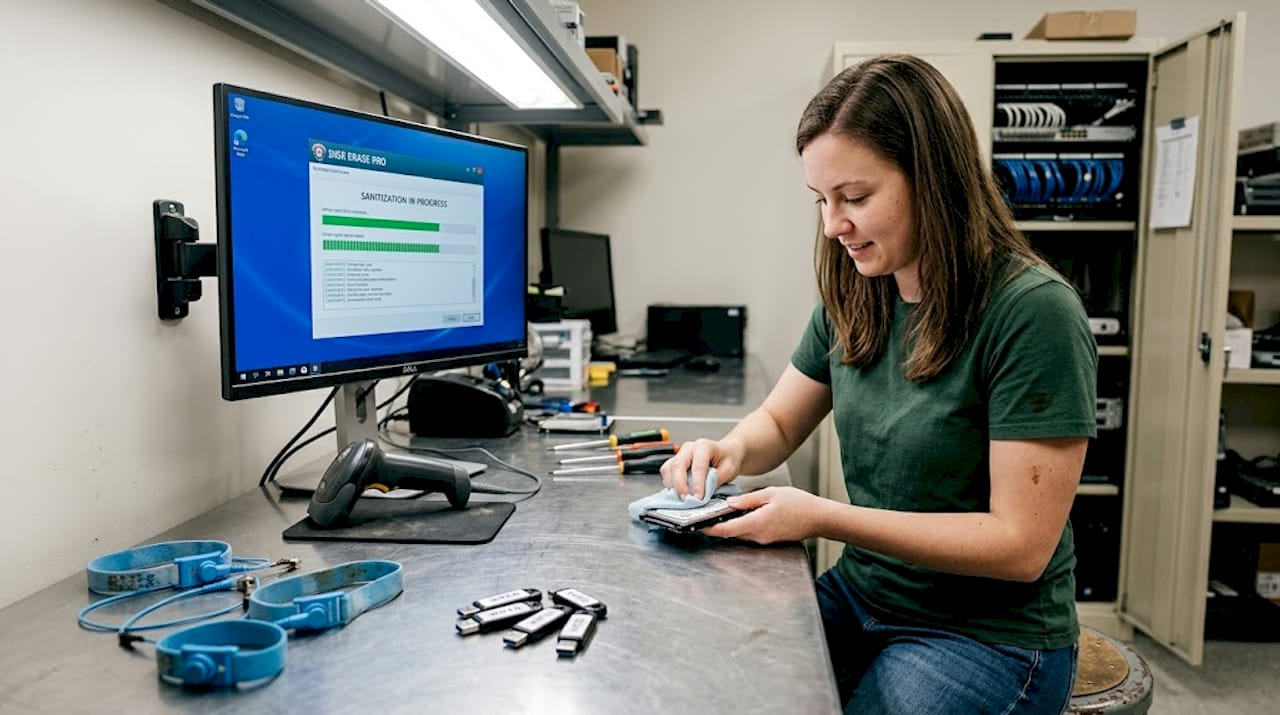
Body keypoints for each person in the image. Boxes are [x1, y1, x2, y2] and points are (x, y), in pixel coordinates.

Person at [660, 54, 1096, 714]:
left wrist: (822, 516)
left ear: (933, 179)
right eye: (822, 201)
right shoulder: (857, 290)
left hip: (988, 635)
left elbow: (1020, 546)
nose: (835, 226)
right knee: (719, 685)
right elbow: (778, 424)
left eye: (855, 198)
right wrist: (727, 451)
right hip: (866, 595)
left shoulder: (1033, 313)